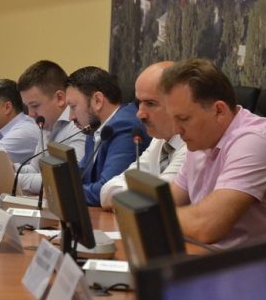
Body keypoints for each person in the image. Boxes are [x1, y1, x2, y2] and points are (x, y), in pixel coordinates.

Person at [161, 58, 266, 248]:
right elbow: (170, 201)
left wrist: (152, 216)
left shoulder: (255, 140)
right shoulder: (201, 139)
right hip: (225, 256)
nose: (176, 130)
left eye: (183, 119)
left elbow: (206, 225)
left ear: (219, 110)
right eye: (173, 119)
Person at [100, 61, 187, 209]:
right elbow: (106, 191)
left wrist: (131, 196)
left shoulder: (193, 146)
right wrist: (139, 196)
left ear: (179, 104)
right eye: (138, 103)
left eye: (151, 103)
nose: (140, 114)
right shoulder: (159, 141)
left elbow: (161, 198)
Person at [66, 66, 150, 206]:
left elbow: (106, 190)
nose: (71, 117)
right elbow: (81, 175)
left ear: (97, 101)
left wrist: (63, 192)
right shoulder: (95, 126)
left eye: (73, 106)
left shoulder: (126, 126)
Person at [15, 60, 86, 194]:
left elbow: (65, 180)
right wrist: (11, 168)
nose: (30, 114)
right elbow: (36, 169)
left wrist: (14, 179)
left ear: (60, 98)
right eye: (27, 107)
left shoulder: (79, 125)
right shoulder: (46, 123)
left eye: (35, 106)